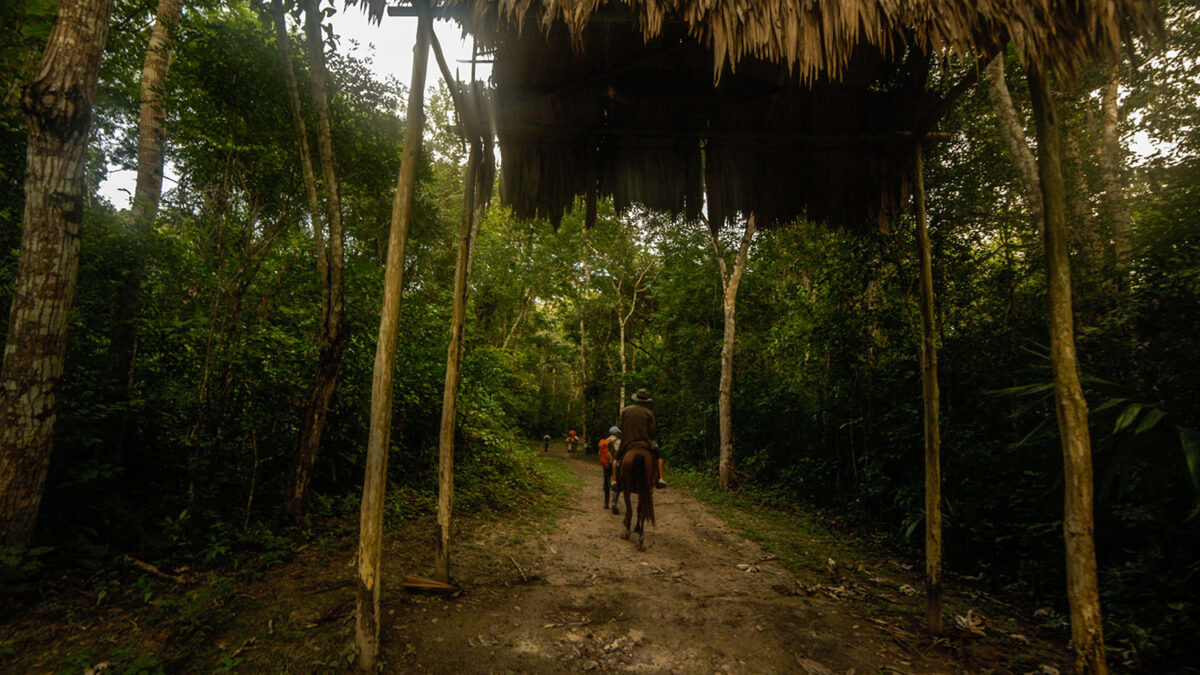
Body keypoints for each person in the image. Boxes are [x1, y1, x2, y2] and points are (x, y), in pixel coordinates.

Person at [616, 388, 666, 488]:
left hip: (628, 442)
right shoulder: (649, 413)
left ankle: (615, 480)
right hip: (645, 442)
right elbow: (652, 431)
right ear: (646, 401)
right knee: (659, 456)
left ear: (636, 399)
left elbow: (620, 427)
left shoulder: (625, 411)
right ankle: (660, 478)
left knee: (616, 459)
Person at [598, 426, 620, 509]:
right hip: (615, 465)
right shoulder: (618, 441)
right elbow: (619, 453)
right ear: (616, 433)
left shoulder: (604, 441)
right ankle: (614, 502)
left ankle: (606, 504)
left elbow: (600, 454)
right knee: (616, 482)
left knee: (606, 483)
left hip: (606, 465)